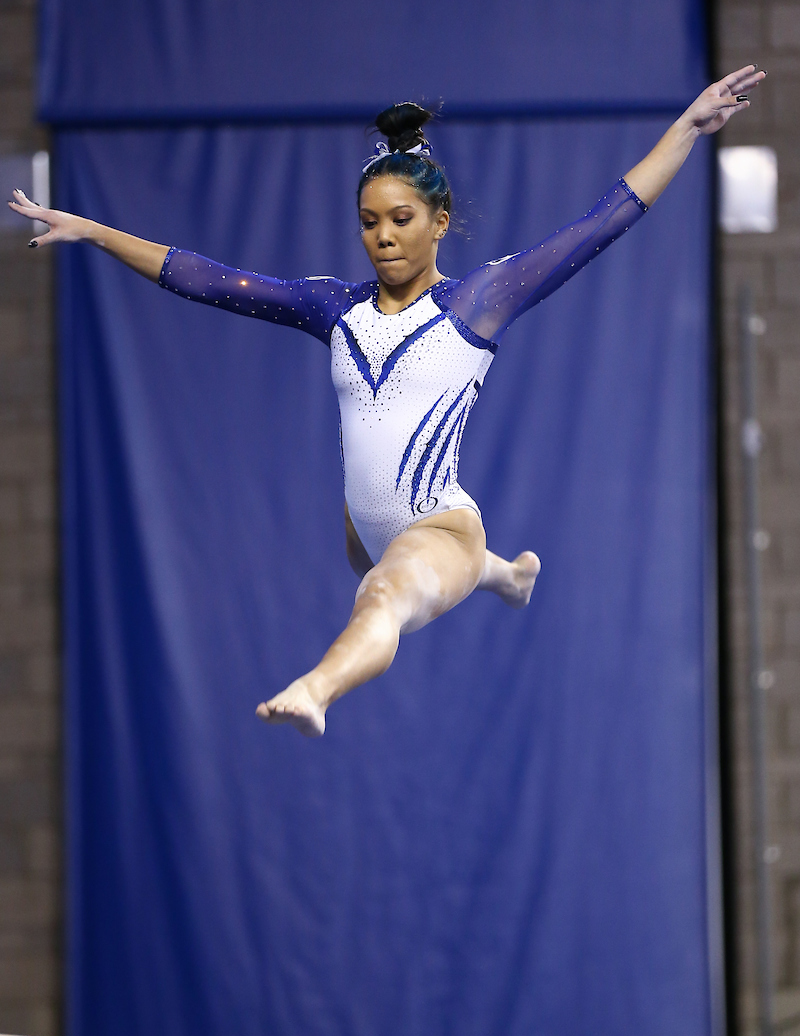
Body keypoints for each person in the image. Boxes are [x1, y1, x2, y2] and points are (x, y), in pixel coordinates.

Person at [9, 65, 765, 738]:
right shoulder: (334, 308)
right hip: (364, 530)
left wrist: (686, 128)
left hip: (437, 528)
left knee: (383, 596)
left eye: (402, 220)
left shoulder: (478, 301)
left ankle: (316, 688)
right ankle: (509, 576)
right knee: (378, 562)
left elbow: (603, 221)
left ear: (439, 223)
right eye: (370, 223)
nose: (384, 237)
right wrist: (92, 230)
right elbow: (206, 280)